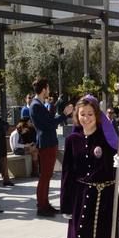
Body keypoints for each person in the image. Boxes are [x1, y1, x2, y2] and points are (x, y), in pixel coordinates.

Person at [60, 96, 119, 238]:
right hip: (81, 198)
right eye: (82, 114)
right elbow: (67, 175)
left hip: (105, 197)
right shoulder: (73, 140)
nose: (86, 118)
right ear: (77, 116)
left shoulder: (106, 138)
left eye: (90, 114)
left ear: (96, 116)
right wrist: (65, 205)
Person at [30, 77, 74, 217]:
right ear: (44, 89)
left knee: (46, 176)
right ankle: (42, 206)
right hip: (46, 143)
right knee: (45, 176)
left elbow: (48, 121)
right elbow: (49, 124)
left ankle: (45, 204)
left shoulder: (38, 103)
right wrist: (64, 114)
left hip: (48, 142)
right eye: (48, 88)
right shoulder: (36, 104)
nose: (49, 90)